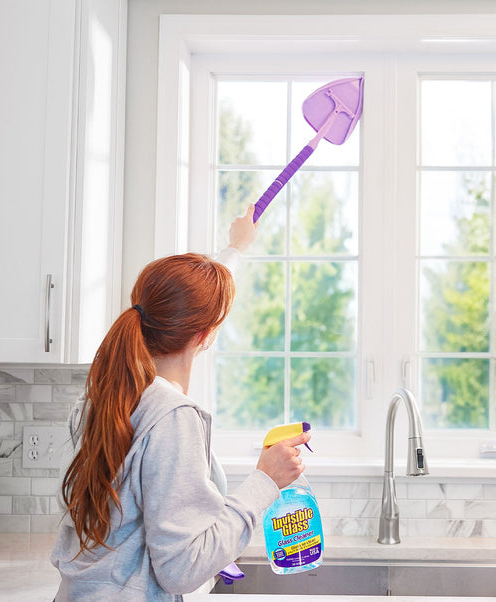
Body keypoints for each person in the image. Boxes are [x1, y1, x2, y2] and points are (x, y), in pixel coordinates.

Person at [51, 204, 310, 600]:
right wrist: (266, 481)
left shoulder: (102, 398)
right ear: (206, 336)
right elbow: (182, 568)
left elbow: (191, 310)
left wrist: (235, 248)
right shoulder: (173, 417)